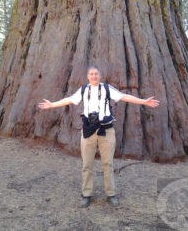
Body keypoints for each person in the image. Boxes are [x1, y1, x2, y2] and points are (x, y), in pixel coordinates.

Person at [38, 65, 160, 207]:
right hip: (88, 130)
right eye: (91, 74)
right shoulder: (83, 90)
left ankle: (110, 194)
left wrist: (143, 101)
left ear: (100, 76)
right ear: (88, 76)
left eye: (96, 74)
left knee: (108, 163)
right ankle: (86, 194)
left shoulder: (107, 89)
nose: (94, 76)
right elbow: (69, 100)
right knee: (87, 164)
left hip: (106, 130)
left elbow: (125, 96)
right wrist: (52, 105)